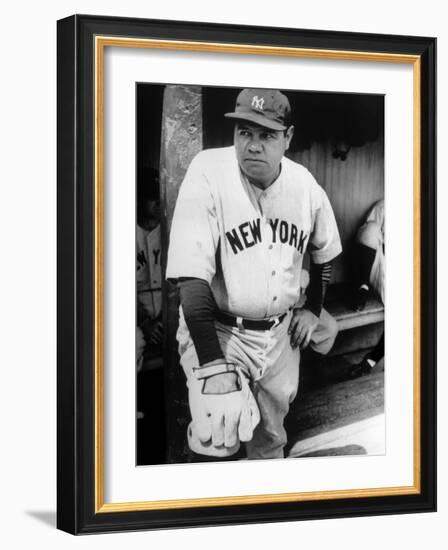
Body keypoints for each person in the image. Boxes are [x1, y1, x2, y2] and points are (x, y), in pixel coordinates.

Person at [166, 88, 342, 460]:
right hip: (220, 329)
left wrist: (313, 309)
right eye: (245, 132)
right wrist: (214, 365)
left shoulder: (304, 184)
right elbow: (191, 277)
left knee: (270, 441)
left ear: (288, 137)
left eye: (266, 134)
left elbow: (325, 252)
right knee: (217, 433)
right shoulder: (209, 171)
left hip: (279, 337)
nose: (253, 145)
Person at [351, 199, 384, 377]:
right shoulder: (384, 205)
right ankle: (361, 287)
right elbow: (365, 235)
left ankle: (370, 360)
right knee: (370, 229)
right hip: (380, 263)